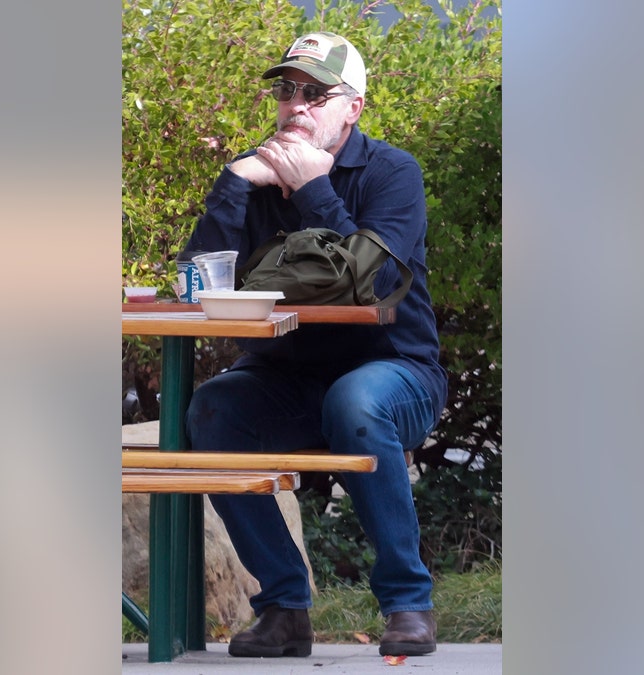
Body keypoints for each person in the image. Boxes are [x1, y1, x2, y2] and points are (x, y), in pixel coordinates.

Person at [182, 32, 448, 658]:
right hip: (287, 379)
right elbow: (199, 277)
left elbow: (375, 283)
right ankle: (282, 608)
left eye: (314, 94)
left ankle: (408, 602)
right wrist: (232, 182)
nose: (294, 106)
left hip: (395, 371)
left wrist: (311, 191)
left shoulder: (391, 173)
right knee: (212, 410)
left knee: (354, 403)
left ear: (352, 107)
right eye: (286, 91)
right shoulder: (256, 175)